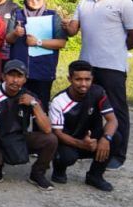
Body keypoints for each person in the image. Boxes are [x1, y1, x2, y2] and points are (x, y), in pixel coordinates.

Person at [62, 0, 133, 170]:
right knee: (91, 109)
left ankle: (118, 155)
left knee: (116, 110)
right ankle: (94, 147)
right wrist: (65, 25)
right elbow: (73, 31)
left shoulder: (124, 3)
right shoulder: (84, 3)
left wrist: (117, 49)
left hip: (112, 66)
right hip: (87, 67)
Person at [0, 60, 57, 190]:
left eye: (19, 76)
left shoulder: (30, 96)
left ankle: (37, 174)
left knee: (51, 139)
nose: (15, 80)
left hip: (21, 137)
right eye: (11, 75)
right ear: (3, 76)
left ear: (25, 79)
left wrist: (34, 104)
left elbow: (47, 128)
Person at [48, 61, 120, 192]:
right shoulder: (58, 101)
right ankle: (59, 169)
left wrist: (105, 139)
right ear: (70, 79)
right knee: (66, 156)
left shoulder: (98, 92)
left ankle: (95, 175)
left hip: (90, 139)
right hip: (68, 141)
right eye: (78, 79)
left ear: (92, 79)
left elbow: (112, 120)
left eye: (87, 79)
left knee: (115, 137)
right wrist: (81, 144)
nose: (83, 84)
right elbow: (57, 133)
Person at [6, 0, 67, 104]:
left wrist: (38, 42)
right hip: (19, 70)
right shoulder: (17, 14)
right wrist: (15, 33)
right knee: (17, 104)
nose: (34, 1)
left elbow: (61, 42)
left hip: (43, 69)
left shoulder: (52, 16)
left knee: (40, 104)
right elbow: (8, 39)